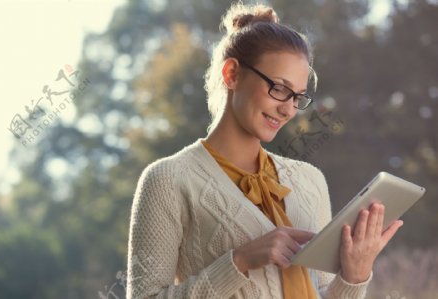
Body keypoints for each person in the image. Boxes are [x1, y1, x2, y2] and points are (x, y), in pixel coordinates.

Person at [126, 3, 403, 299]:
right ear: (232, 74)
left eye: (297, 97)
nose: (288, 109)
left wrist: (354, 276)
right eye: (280, 88)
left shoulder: (310, 181)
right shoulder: (167, 180)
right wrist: (239, 261)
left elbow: (321, 291)